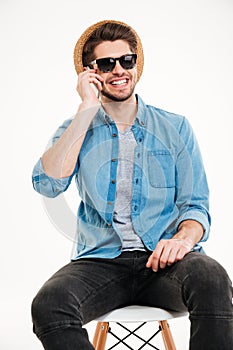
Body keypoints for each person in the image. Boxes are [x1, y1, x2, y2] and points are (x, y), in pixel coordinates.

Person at [31, 20, 233, 349]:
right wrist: (86, 109)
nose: (119, 70)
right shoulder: (76, 128)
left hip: (166, 264)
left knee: (212, 277)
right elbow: (48, 185)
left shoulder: (175, 127)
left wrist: (182, 239)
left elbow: (196, 206)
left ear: (135, 63)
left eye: (126, 60)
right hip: (99, 262)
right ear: (90, 71)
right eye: (106, 63)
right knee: (50, 305)